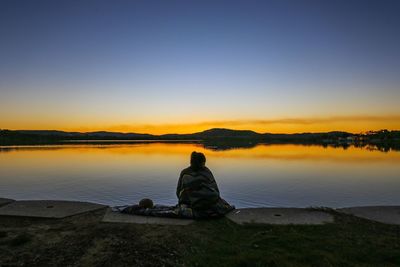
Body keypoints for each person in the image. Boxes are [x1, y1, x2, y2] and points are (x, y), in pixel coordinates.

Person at [176, 151, 234, 218]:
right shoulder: (206, 171)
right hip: (210, 204)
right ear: (202, 162)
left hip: (192, 204)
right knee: (222, 204)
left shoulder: (184, 172)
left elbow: (178, 192)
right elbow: (216, 191)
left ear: (191, 162)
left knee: (184, 203)